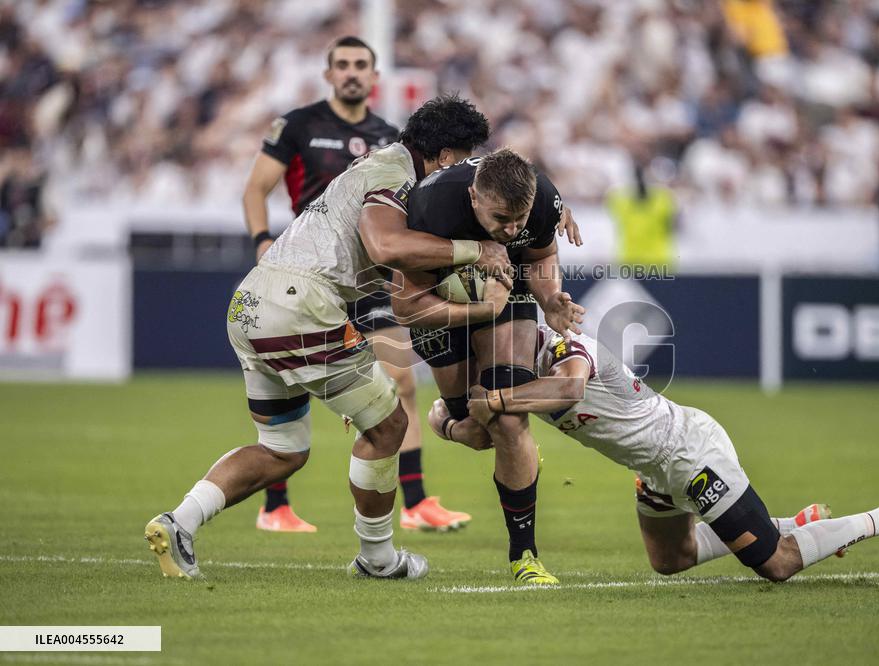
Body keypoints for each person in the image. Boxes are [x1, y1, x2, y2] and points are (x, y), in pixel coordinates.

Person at [144, 95, 511, 580]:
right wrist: (473, 250)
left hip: (254, 302)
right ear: (446, 155)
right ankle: (378, 560)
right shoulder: (394, 175)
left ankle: (178, 523)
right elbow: (386, 244)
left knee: (283, 450)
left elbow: (379, 260)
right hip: (301, 307)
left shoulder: (380, 170)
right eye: (464, 159)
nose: (466, 174)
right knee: (387, 427)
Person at [429, 324, 879, 581]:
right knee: (670, 560)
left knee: (775, 564)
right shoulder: (511, 367)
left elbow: (566, 390)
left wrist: (489, 401)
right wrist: (449, 423)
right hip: (654, 470)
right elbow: (483, 434)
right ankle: (797, 521)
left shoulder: (565, 345)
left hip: (688, 453)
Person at [242, 35, 469, 532]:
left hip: (370, 274)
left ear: (374, 76)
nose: (351, 72)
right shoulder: (300, 125)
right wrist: (261, 239)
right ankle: (275, 503)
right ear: (329, 74)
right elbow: (256, 186)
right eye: (342, 64)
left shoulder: (395, 138)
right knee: (288, 378)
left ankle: (415, 500)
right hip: (313, 268)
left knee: (402, 377)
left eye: (360, 65)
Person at [391, 148, 585, 585]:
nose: (512, 228)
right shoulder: (431, 207)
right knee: (477, 431)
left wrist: (549, 297)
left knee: (508, 418)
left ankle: (525, 557)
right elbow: (405, 307)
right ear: (475, 198)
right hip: (437, 305)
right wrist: (478, 309)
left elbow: (539, 256)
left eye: (519, 219)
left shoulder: (540, 199)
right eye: (501, 220)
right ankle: (446, 420)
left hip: (506, 291)